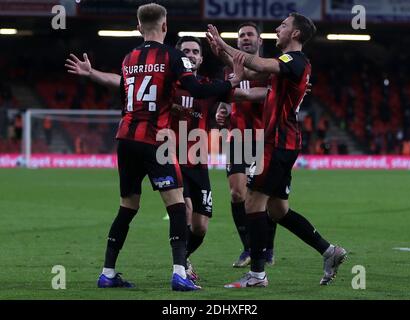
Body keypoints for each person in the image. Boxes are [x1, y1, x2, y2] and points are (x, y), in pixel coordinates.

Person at [66, 3, 242, 291]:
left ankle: (107, 272)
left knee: (127, 206)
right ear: (165, 26)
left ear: (138, 27)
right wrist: (227, 84)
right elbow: (196, 88)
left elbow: (124, 90)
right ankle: (179, 273)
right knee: (176, 207)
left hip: (125, 137)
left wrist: (94, 73)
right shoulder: (173, 56)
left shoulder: (129, 57)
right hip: (154, 140)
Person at [207, 12, 347, 288]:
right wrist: (225, 55)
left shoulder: (294, 61)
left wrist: (224, 45)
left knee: (252, 203)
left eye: (283, 26)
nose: (277, 29)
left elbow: (256, 63)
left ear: (295, 34)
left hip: (278, 142)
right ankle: (329, 251)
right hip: (284, 141)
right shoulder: (288, 64)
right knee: (278, 210)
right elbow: (247, 72)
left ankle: (258, 274)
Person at [212, 22, 278, 268]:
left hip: (265, 138)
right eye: (241, 36)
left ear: (260, 41)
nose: (246, 38)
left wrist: (232, 94)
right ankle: (248, 247)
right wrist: (222, 110)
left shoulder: (270, 68)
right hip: (237, 137)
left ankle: (267, 246)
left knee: (265, 199)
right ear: (237, 42)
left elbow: (266, 95)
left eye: (250, 35)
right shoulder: (229, 69)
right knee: (237, 193)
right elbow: (226, 101)